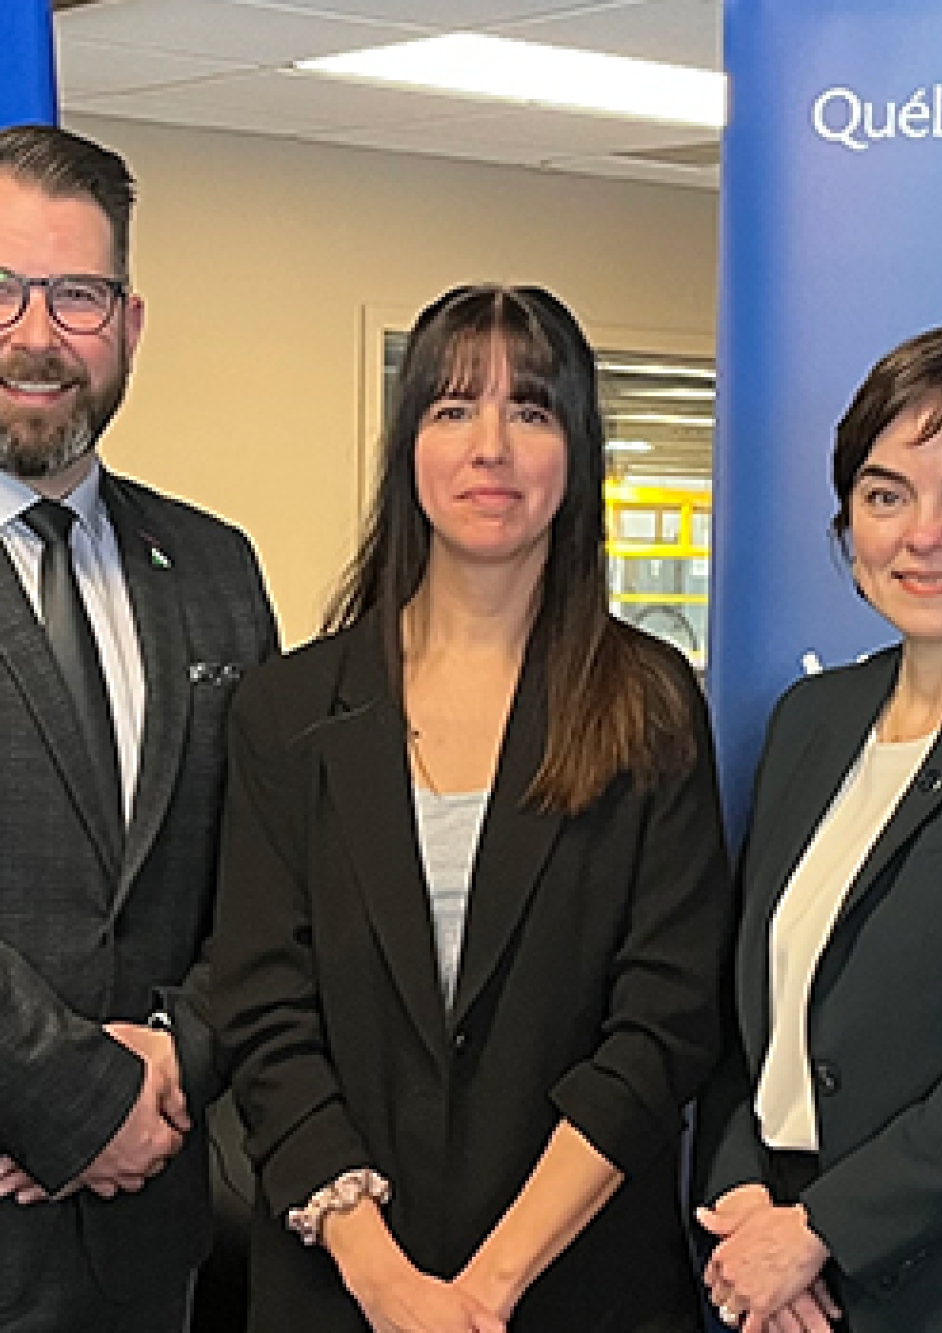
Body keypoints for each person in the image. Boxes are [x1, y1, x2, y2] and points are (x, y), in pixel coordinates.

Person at [210, 283, 732, 1332]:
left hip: (578, 1290)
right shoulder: (288, 709)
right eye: (454, 408)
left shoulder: (649, 704)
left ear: (575, 450)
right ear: (409, 445)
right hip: (339, 1289)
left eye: (530, 410)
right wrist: (386, 1283)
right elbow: (265, 1012)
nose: (490, 446)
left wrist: (485, 1289)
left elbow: (662, 1025)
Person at [0, 125, 277, 1331]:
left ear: (129, 324)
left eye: (77, 294)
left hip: (147, 1250)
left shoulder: (215, 569)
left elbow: (271, 879)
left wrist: (179, 1052)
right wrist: (79, 1101)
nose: (36, 335)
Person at [694, 326, 942, 1333]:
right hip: (769, 1274)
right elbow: (741, 1015)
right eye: (887, 495)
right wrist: (746, 1198)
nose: (922, 534)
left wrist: (824, 1230)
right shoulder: (813, 721)